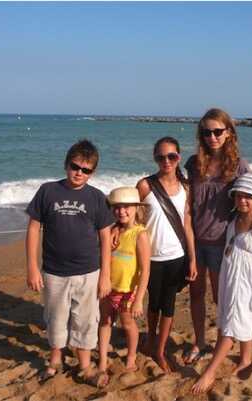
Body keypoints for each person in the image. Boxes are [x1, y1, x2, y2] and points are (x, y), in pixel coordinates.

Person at [183, 108, 252, 364]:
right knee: (196, 295)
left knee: (221, 299)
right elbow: (189, 206)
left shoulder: (239, 166)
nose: (212, 137)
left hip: (223, 244)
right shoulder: (193, 164)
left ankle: (221, 344)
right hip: (196, 241)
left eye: (217, 131)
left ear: (228, 133)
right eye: (206, 132)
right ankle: (200, 342)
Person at [25, 139, 115, 382]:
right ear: (66, 164)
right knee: (55, 318)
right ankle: (56, 359)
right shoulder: (47, 191)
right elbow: (33, 228)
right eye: (75, 167)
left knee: (85, 320)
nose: (79, 173)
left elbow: (105, 237)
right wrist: (32, 267)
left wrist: (105, 275)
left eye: (86, 170)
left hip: (89, 272)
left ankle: (85, 365)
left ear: (92, 172)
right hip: (54, 271)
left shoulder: (96, 197)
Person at [192, 173, 252, 393]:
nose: (243, 200)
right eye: (239, 196)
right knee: (238, 317)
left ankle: (210, 372)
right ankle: (246, 358)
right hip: (230, 275)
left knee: (231, 324)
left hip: (246, 280)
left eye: (248, 197)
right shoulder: (236, 217)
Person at [136, 136, 198, 372]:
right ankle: (151, 339)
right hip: (150, 258)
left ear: (178, 158)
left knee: (169, 304)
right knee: (154, 302)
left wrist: (192, 259)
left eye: (172, 156)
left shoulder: (186, 188)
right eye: (161, 157)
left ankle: (160, 351)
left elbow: (187, 225)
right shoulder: (145, 185)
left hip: (177, 257)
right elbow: (132, 218)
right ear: (155, 158)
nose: (166, 161)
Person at [97, 187, 150, 387]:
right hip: (108, 287)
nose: (122, 211)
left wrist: (139, 300)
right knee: (105, 321)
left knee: (128, 324)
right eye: (117, 207)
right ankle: (102, 360)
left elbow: (145, 270)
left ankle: (131, 356)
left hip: (128, 291)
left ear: (136, 208)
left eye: (126, 207)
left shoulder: (140, 234)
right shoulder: (112, 231)